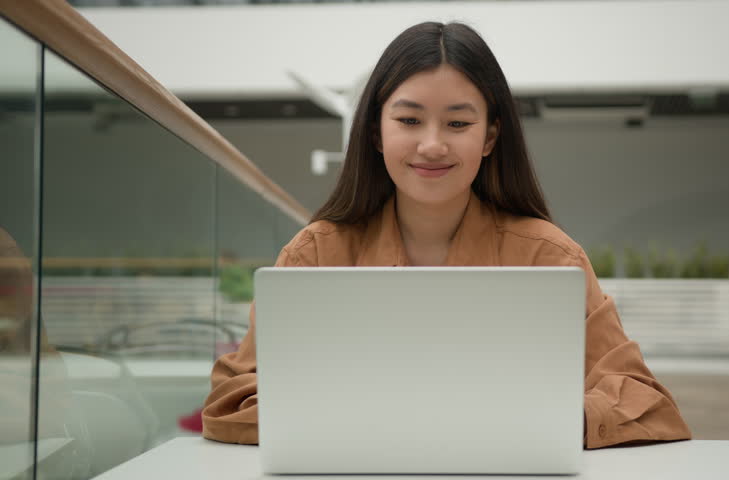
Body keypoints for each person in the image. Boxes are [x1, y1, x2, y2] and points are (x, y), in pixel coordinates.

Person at [202, 21, 691, 449]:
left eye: (458, 123)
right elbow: (230, 402)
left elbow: (644, 400)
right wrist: (384, 420)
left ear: (490, 138)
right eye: (409, 120)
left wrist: (531, 423)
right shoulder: (316, 252)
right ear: (375, 132)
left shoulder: (550, 257)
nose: (432, 144)